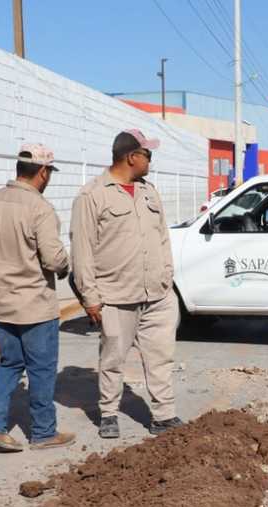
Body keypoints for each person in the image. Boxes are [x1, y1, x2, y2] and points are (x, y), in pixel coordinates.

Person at [72, 129, 183, 439]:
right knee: (112, 359)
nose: (150, 161)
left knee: (161, 357)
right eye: (148, 154)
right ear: (131, 157)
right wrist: (90, 297)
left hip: (157, 294)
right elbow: (82, 250)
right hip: (116, 295)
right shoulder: (92, 195)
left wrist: (166, 275)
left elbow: (162, 237)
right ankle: (108, 413)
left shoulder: (149, 192)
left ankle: (163, 415)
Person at [0, 143, 73, 452]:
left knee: (9, 364)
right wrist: (65, 267)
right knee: (41, 369)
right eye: (49, 172)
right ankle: (43, 432)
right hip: (34, 305)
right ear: (43, 172)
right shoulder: (39, 208)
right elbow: (53, 258)